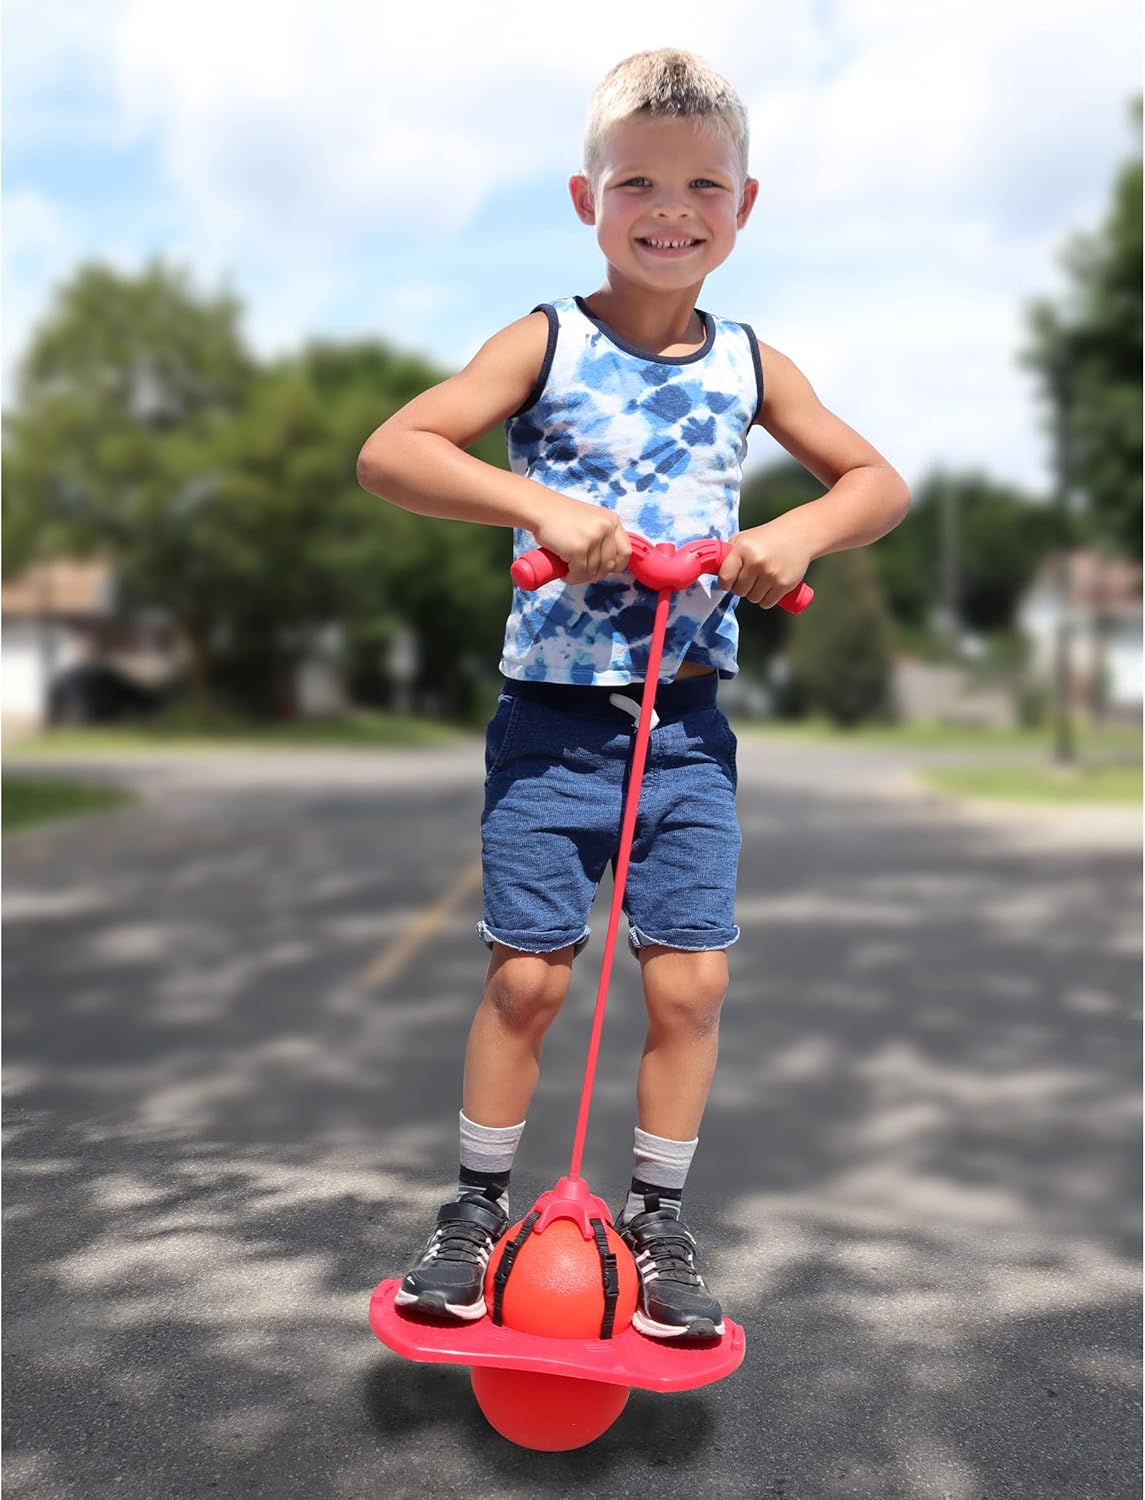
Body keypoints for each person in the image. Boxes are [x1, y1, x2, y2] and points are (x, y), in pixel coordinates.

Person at [356, 48, 909, 1340]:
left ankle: (657, 1220)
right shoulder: (544, 342)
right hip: (551, 728)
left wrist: (795, 536)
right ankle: (474, 1210)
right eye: (639, 184)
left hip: (687, 733)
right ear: (586, 199)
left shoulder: (752, 366)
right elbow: (393, 451)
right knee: (529, 983)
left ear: (744, 206)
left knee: (690, 987)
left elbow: (876, 482)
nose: (672, 208)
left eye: (703, 184)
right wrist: (537, 505)